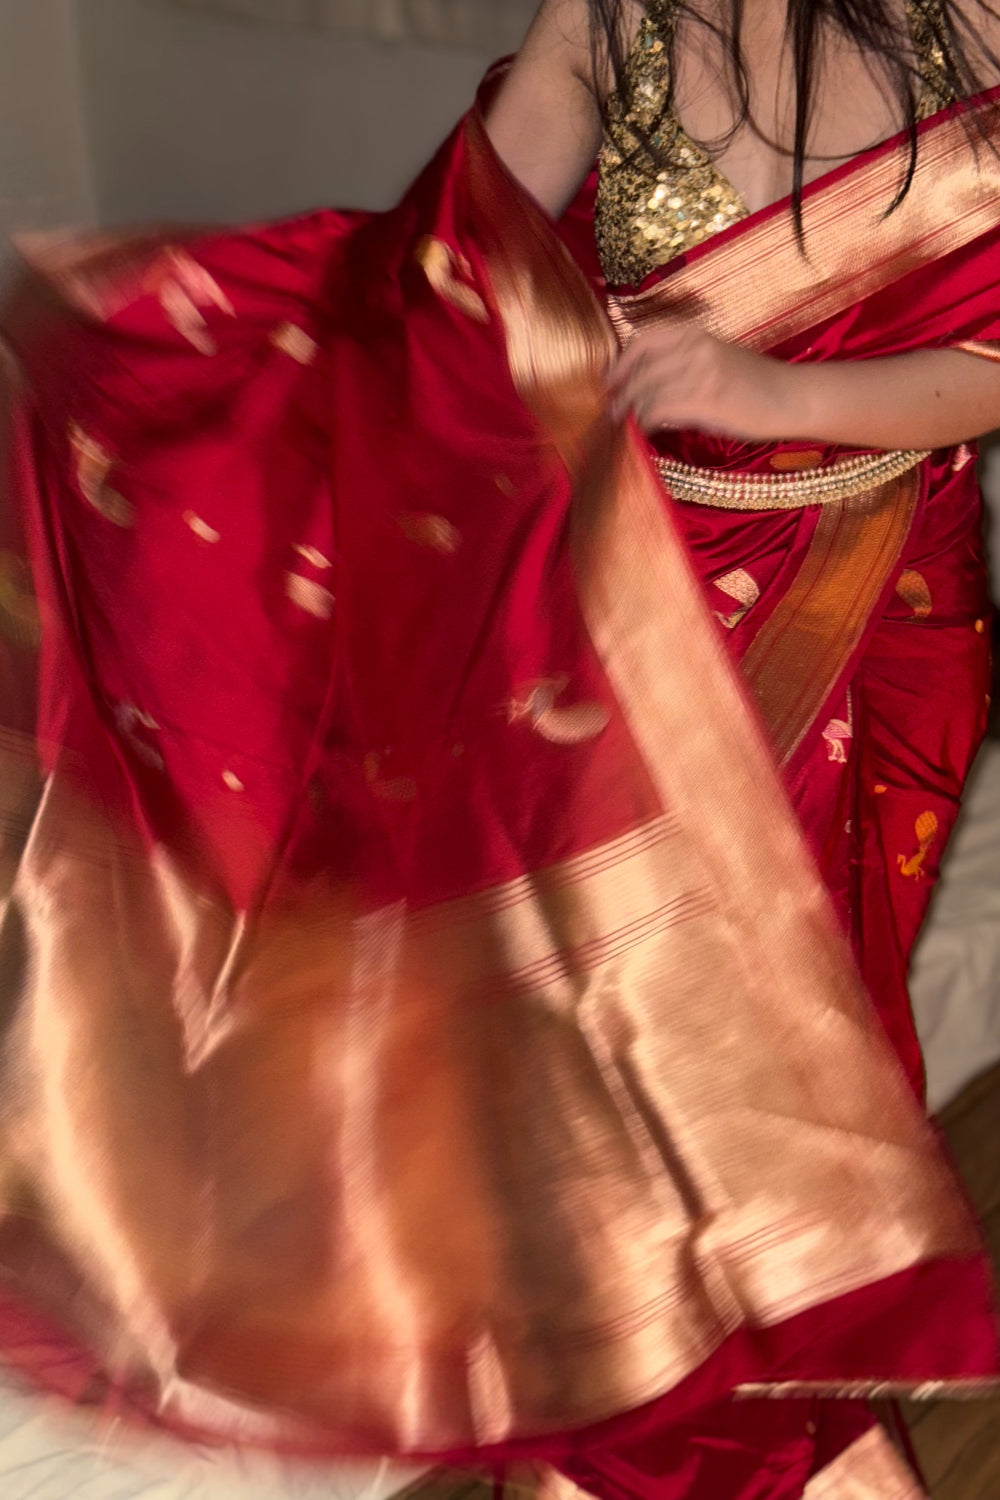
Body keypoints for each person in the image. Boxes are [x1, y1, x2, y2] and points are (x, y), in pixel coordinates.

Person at [0, 3, 998, 1497]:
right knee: (571, 1029)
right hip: (612, 570)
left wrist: (772, 394)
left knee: (751, 1044)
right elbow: (444, 257)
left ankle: (731, 1424)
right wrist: (200, 364)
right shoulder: (615, 8)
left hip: (862, 585)